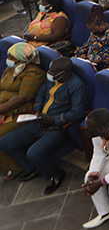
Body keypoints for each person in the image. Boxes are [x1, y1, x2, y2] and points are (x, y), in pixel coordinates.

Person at [0, 57, 87, 194]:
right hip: (39, 121)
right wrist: (38, 111)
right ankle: (32, 168)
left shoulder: (77, 86)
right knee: (5, 142)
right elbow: (40, 94)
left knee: (34, 153)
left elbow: (77, 113)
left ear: (63, 73)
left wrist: (52, 119)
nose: (49, 73)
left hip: (59, 128)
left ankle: (56, 174)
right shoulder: (52, 79)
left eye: (53, 71)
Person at [0, 43, 45, 180]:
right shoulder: (11, 69)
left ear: (21, 58)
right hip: (5, 108)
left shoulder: (34, 73)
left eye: (11, 57)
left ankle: (19, 167)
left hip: (20, 113)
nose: (8, 59)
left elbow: (23, 98)